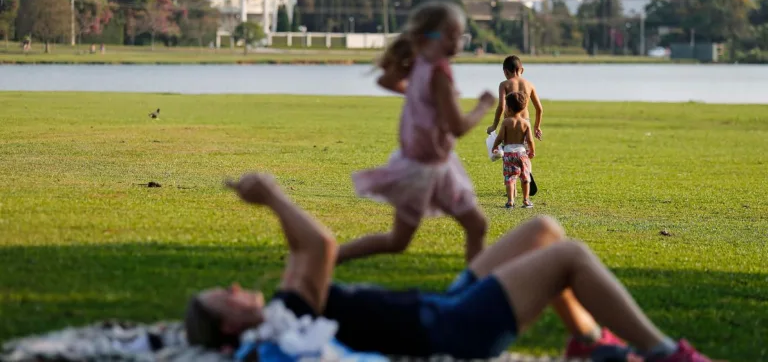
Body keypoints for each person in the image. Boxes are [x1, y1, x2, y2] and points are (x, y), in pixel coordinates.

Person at [185, 172, 714, 362]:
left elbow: (310, 254)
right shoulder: (286, 324)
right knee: (568, 257)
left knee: (543, 230)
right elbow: (318, 246)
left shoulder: (287, 309)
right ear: (230, 328)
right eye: (223, 296)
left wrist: (280, 209)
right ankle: (665, 354)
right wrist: (273, 197)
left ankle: (588, 341)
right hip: (454, 329)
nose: (235, 287)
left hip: (442, 305)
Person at [336, 0, 495, 265]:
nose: (458, 42)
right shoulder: (439, 72)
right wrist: (483, 105)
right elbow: (458, 127)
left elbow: (385, 80)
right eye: (451, 35)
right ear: (429, 37)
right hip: (424, 171)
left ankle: (472, 289)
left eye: (460, 36)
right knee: (405, 240)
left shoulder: (421, 63)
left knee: (473, 226)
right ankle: (328, 257)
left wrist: (422, 97)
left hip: (432, 165)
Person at [492, 92, 535, 209]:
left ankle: (510, 201)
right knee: (525, 177)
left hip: (508, 154)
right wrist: (532, 151)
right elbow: (530, 140)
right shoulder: (525, 123)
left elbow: (500, 137)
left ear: (509, 109)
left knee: (510, 178)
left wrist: (494, 146)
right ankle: (526, 200)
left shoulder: (506, 122)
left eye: (505, 106)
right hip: (522, 153)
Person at [487, 55, 544, 142]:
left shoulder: (504, 84)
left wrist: (494, 126)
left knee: (509, 151)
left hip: (509, 123)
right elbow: (539, 109)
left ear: (505, 72)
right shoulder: (530, 85)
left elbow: (501, 106)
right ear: (522, 70)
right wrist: (537, 126)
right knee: (523, 153)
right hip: (525, 122)